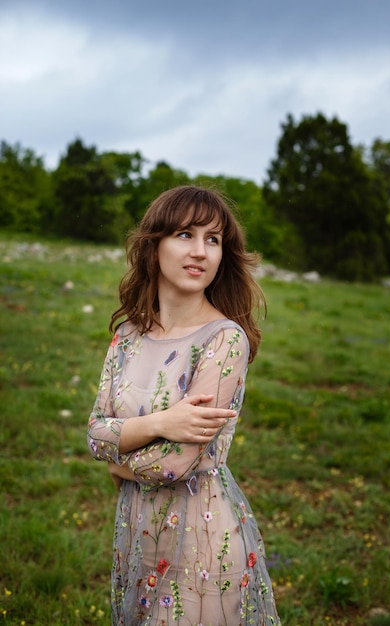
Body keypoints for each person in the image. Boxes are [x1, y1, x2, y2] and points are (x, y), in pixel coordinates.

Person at [87, 185, 280, 626]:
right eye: (185, 235)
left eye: (213, 240)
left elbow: (174, 464)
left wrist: (119, 462)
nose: (200, 251)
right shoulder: (128, 338)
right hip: (136, 530)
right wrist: (164, 421)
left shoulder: (223, 339)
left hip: (201, 538)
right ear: (154, 245)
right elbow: (94, 432)